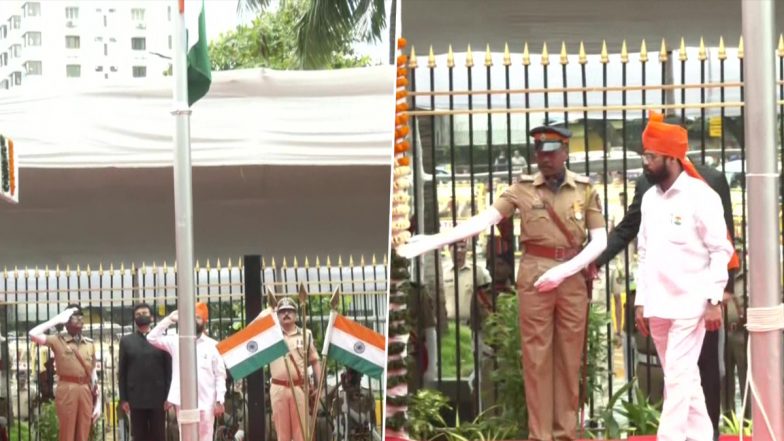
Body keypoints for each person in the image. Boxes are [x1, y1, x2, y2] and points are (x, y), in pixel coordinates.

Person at [399, 125, 607, 441]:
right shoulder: (522, 189)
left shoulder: (585, 189)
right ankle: (540, 436)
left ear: (565, 152)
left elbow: (599, 241)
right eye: (539, 152)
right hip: (535, 273)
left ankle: (567, 434)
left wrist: (565, 271)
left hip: (572, 275)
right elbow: (484, 220)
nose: (544, 158)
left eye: (550, 152)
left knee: (570, 358)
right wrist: (434, 241)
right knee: (536, 360)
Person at [595, 115, 738, 440]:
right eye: (645, 156)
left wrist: (715, 298)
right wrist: (641, 301)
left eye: (651, 157)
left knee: (675, 378)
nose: (645, 163)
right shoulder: (648, 198)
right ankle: (702, 436)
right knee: (684, 378)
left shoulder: (702, 196)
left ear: (672, 157)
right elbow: (643, 253)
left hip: (692, 305)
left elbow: (721, 250)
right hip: (658, 305)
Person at [147, 303, 226, 441]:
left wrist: (220, 400)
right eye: (192, 317)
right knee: (186, 438)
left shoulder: (212, 345)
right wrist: (169, 320)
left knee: (205, 438)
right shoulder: (176, 341)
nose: (194, 320)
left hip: (206, 403)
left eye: (198, 317)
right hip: (183, 402)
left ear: (205, 321)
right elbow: (151, 338)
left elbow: (220, 375)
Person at [28, 304, 101, 441]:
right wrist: (56, 320)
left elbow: (93, 374)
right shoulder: (57, 340)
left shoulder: (89, 344)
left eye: (80, 316)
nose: (79, 319)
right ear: (66, 321)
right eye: (73, 317)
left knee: (84, 431)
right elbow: (33, 334)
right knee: (67, 432)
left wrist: (98, 403)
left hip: (85, 389)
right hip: (67, 387)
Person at [269, 297, 322, 441]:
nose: (286, 314)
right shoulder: (271, 335)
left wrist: (319, 386)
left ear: (296, 314)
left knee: (302, 433)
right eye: (282, 312)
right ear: (277, 315)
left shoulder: (306, 334)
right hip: (278, 387)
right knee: (282, 434)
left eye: (289, 311)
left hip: (299, 387)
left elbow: (315, 361)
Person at [118, 303, 172, 441]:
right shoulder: (126, 341)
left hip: (158, 398)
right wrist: (124, 398)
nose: (142, 316)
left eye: (145, 313)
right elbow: (122, 372)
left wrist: (169, 397)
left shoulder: (162, 339)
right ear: (134, 319)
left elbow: (169, 370)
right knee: (139, 436)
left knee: (158, 435)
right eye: (138, 314)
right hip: (135, 398)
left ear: (152, 318)